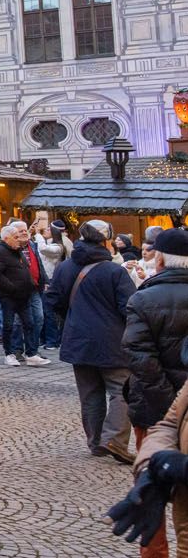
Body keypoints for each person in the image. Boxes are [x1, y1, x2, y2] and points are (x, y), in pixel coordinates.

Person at [46, 219, 137, 464]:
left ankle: (96, 442)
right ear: (106, 241)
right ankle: (114, 440)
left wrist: (74, 317)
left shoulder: (65, 267)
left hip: (78, 338)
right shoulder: (115, 271)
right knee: (122, 390)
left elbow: (53, 300)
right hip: (111, 341)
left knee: (90, 393)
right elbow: (129, 308)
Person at [123, 228, 188, 558]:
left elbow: (138, 357)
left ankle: (155, 553)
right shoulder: (145, 297)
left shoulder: (143, 298)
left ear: (159, 259)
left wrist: (170, 409)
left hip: (153, 408)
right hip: (172, 408)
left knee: (150, 491)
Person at [0, 221, 50, 367]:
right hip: (9, 296)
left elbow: (27, 268)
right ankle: (9, 353)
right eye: (15, 237)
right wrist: (12, 288)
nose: (18, 239)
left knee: (29, 323)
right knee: (9, 325)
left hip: (24, 295)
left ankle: (31, 354)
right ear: (6, 238)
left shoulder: (18, 250)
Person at [37, 222, 71, 348]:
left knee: (49, 311)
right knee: (43, 311)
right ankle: (45, 339)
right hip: (44, 280)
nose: (44, 230)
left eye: (47, 229)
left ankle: (52, 340)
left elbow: (43, 249)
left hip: (51, 280)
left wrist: (38, 235)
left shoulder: (58, 246)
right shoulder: (49, 243)